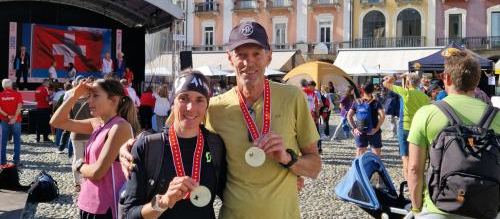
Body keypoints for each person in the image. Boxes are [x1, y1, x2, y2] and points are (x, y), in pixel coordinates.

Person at [120, 21, 321, 219]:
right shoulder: (213, 106)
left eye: (256, 54)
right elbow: (174, 131)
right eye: (241, 54)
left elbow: (314, 167)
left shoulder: (293, 98)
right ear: (230, 58)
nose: (248, 62)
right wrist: (131, 146)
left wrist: (288, 160)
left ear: (269, 57)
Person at [407, 50, 500, 218]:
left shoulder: (426, 114)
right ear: (477, 80)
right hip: (487, 209)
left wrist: (416, 208)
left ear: (446, 78)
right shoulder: (497, 117)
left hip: (439, 208)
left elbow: (414, 169)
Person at [123, 70, 227, 218]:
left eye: (199, 100)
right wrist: (163, 201)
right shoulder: (147, 147)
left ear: (206, 106)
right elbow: (129, 214)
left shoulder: (215, 144)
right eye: (184, 98)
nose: (191, 108)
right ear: (173, 103)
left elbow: (231, 196)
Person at [50, 78, 138, 219]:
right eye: (89, 96)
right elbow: (56, 122)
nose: (89, 101)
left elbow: (98, 172)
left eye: (95, 95)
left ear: (114, 100)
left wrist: (79, 165)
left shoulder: (120, 127)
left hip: (106, 207)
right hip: (87, 202)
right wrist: (75, 95)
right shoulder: (97, 123)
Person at [383, 73, 430, 181]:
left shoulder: (405, 92)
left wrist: (397, 76)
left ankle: (408, 184)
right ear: (419, 83)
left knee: (406, 159)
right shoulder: (425, 97)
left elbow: (386, 83)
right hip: (418, 129)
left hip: (404, 127)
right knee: (418, 159)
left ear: (408, 83)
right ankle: (418, 182)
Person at [347, 82, 385, 157]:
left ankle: (359, 168)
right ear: (373, 90)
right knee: (376, 157)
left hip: (360, 131)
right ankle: (374, 169)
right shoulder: (376, 103)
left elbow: (349, 116)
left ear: (362, 90)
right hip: (373, 131)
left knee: (359, 156)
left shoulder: (357, 102)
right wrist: (376, 128)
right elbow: (382, 116)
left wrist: (354, 128)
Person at [69, 76, 93, 192]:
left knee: (77, 157)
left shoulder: (73, 100)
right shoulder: (91, 100)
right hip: (89, 132)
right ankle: (86, 180)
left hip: (75, 132)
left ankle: (76, 183)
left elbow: (69, 117)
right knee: (89, 158)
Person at [0, 79, 23, 165]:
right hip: (16, 121)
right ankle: (16, 161)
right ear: (11, 85)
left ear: (3, 86)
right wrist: (14, 117)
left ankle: (2, 162)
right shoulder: (17, 94)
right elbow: (19, 106)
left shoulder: (0, 95)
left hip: (4, 121)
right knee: (17, 141)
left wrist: (7, 116)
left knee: (3, 142)